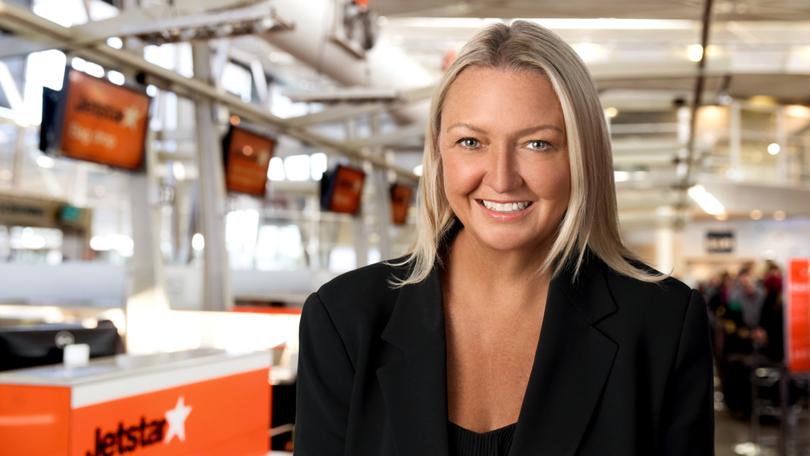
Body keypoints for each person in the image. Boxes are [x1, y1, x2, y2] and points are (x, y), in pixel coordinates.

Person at [295, 20, 714, 456]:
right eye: (471, 141)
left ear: (582, 157)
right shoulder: (344, 319)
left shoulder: (663, 324)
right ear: (439, 156)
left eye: (537, 144)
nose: (501, 178)